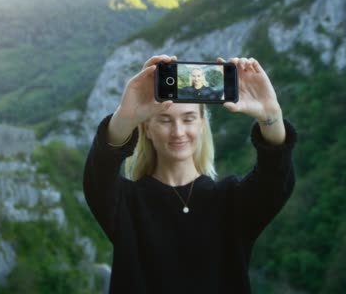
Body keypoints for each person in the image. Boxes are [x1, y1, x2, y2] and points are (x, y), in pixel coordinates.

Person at [83, 55, 297, 293]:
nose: (178, 132)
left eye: (189, 119)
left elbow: (276, 177)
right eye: (165, 120)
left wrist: (270, 113)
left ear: (202, 124)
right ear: (148, 128)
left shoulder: (231, 202)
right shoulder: (126, 203)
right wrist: (125, 116)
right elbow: (99, 173)